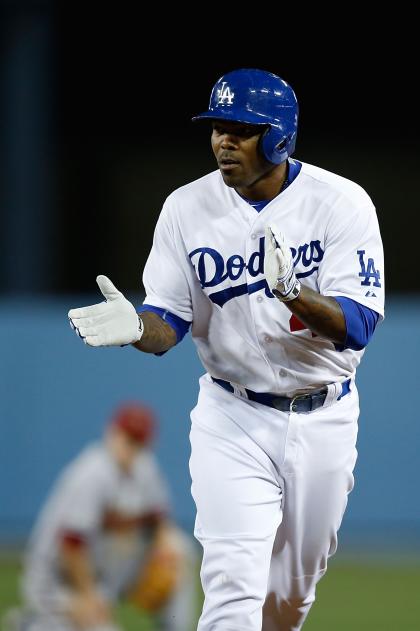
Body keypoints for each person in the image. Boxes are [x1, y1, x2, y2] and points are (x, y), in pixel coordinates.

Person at [67, 68, 385, 630]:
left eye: (241, 129)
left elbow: (357, 325)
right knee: (233, 587)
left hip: (325, 415)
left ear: (280, 137)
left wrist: (295, 295)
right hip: (232, 415)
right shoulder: (186, 208)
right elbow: (167, 320)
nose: (223, 141)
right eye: (217, 127)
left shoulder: (341, 203)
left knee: (288, 598)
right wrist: (142, 327)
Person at [5, 403, 198, 631]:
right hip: (60, 582)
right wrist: (88, 598)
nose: (129, 447)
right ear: (112, 432)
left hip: (105, 572)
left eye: (137, 442)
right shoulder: (91, 473)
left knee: (179, 549)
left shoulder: (145, 469)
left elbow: (160, 521)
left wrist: (164, 549)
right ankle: (35, 623)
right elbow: (71, 547)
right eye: (126, 438)